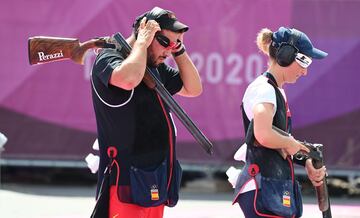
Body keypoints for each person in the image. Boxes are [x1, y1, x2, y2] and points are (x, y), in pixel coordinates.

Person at [90, 6, 202, 218]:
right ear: (145, 33)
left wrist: (178, 49)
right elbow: (129, 78)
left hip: (154, 177)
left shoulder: (155, 67)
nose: (168, 50)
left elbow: (193, 88)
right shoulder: (108, 58)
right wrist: (142, 42)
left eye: (174, 43)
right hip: (124, 181)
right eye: (164, 42)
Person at [232, 27, 328, 218]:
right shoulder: (265, 90)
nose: (305, 71)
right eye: (304, 61)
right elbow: (264, 134)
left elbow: (277, 142)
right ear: (286, 55)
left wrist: (305, 160)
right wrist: (292, 144)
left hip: (270, 186)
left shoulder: (274, 91)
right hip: (264, 186)